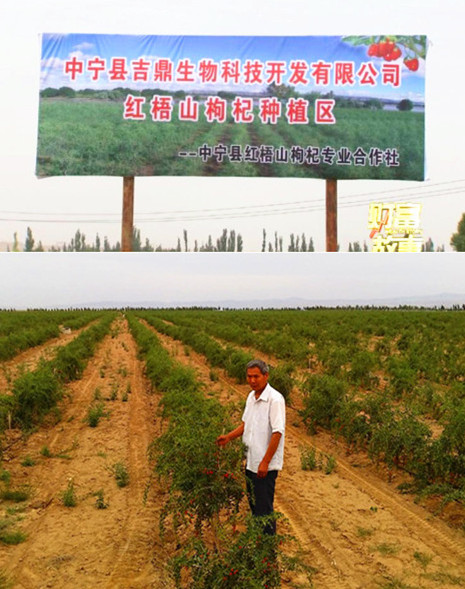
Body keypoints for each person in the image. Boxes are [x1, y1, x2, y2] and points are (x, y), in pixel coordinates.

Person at [216, 359, 285, 534]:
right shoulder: (251, 397)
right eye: (249, 376)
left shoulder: (275, 400)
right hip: (251, 462)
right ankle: (258, 540)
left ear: (266, 376)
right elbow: (246, 424)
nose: (252, 380)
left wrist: (265, 462)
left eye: (256, 376)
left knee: (264, 509)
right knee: (254, 504)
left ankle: (267, 551)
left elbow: (277, 433)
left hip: (264, 466)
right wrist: (228, 437)